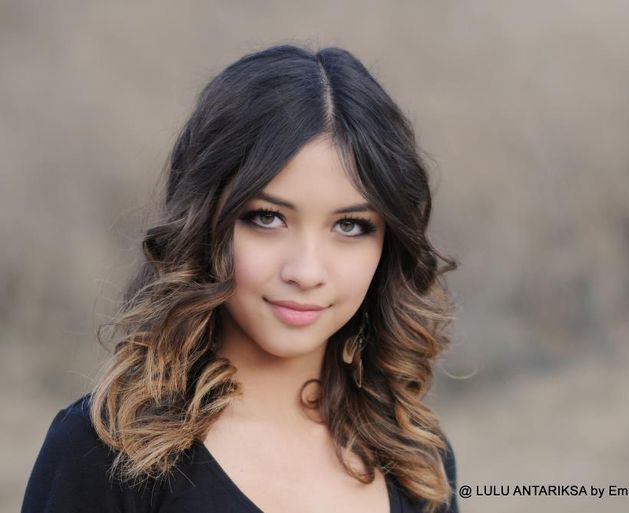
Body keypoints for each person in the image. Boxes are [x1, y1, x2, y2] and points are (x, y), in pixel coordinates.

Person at [21, 44, 459, 513]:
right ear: (205, 221)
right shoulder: (108, 450)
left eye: (350, 225)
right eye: (267, 218)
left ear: (387, 243)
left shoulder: (418, 458)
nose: (307, 272)